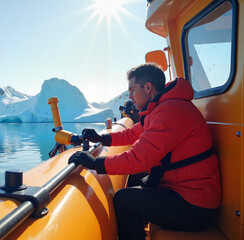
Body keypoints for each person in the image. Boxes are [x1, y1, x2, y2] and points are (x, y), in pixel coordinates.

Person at [68, 63, 221, 240]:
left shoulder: (170, 111)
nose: (130, 97)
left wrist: (95, 164)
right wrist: (102, 138)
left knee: (123, 200)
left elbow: (138, 159)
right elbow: (134, 133)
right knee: (136, 180)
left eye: (132, 90)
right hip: (185, 192)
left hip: (195, 206)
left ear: (148, 87)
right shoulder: (162, 108)